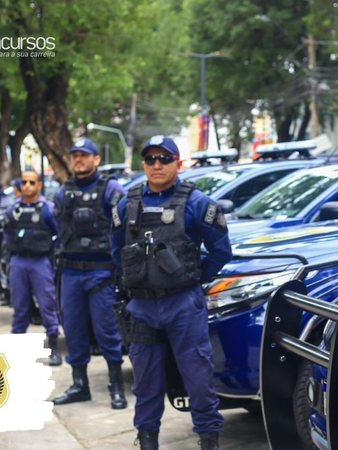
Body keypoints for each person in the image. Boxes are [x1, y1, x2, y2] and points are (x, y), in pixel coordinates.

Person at [110, 136, 232, 450]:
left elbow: (221, 251)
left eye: (165, 158)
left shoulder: (197, 203)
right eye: (151, 159)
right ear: (143, 165)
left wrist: (191, 278)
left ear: (178, 162)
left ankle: (208, 439)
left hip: (183, 305)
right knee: (146, 382)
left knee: (198, 378)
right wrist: (135, 280)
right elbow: (115, 250)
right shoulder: (128, 204)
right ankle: (148, 439)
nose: (157, 165)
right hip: (143, 308)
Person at [51, 137, 128, 409]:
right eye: (75, 156)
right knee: (73, 331)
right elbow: (58, 229)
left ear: (97, 159)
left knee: (107, 332)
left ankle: (116, 386)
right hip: (70, 272)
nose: (79, 160)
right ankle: (79, 385)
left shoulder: (112, 189)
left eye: (85, 155)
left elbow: (125, 229)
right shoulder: (64, 191)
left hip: (101, 274)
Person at [2, 170, 62, 366]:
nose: (27, 186)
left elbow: (59, 233)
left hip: (41, 262)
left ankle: (53, 348)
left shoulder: (48, 209)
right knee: (20, 306)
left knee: (47, 306)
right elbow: (7, 234)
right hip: (19, 261)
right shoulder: (13, 210)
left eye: (31, 182)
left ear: (39, 185)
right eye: (24, 182)